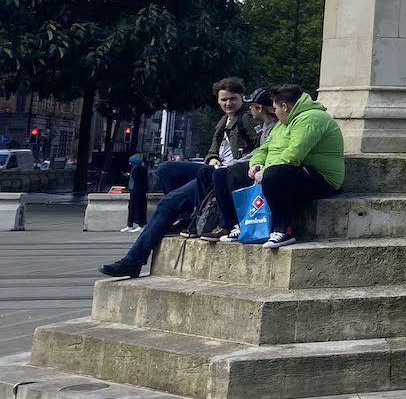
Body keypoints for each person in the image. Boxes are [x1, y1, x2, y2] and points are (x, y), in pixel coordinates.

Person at [99, 75, 256, 277]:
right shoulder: (223, 121)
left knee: (168, 203)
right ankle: (184, 215)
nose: (228, 103)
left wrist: (226, 167)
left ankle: (133, 261)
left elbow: (260, 149)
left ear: (242, 97)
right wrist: (212, 160)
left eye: (232, 99)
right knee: (167, 168)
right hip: (213, 169)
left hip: (227, 175)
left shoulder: (248, 118)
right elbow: (211, 152)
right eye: (223, 99)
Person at [251, 84, 345, 249]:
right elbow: (263, 149)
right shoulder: (284, 122)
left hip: (322, 178)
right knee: (230, 173)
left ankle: (283, 229)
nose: (274, 112)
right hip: (295, 171)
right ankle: (238, 225)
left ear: (284, 107)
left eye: (275, 108)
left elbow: (294, 155)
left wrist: (265, 171)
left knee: (274, 176)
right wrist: (256, 164)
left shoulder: (311, 118)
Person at [124, 153, 148, 232]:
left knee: (137, 208)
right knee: (133, 207)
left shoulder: (137, 169)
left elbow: (138, 180)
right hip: (137, 191)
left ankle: (140, 225)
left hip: (137, 191)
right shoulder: (139, 168)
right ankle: (130, 224)